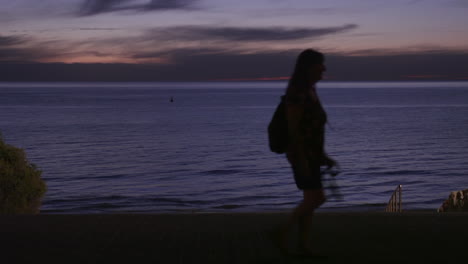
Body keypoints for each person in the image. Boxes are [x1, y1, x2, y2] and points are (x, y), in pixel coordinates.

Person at [277, 49, 338, 255]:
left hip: (311, 155)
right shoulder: (297, 93)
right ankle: (281, 232)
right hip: (303, 156)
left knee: (310, 200)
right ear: (309, 67)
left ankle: (303, 246)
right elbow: (294, 129)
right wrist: (301, 157)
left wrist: (323, 155)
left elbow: (312, 128)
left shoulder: (310, 90)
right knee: (316, 199)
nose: (324, 68)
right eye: (320, 64)